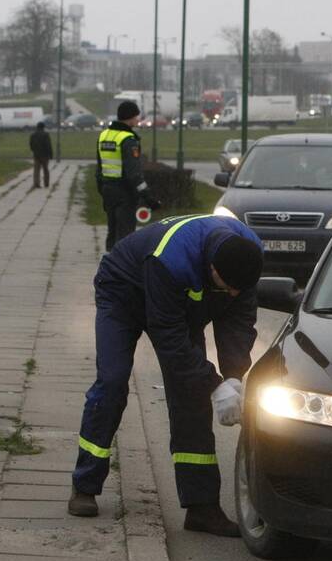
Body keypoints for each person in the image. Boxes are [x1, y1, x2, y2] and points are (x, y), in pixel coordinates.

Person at [68, 214, 264, 537]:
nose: (230, 294)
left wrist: (234, 378)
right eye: (225, 287)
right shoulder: (171, 259)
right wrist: (215, 386)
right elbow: (169, 340)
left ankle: (202, 508)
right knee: (113, 382)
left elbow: (238, 324)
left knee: (192, 399)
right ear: (212, 267)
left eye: (235, 290)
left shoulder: (246, 259)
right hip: (124, 293)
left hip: (180, 306)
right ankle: (85, 484)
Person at [97, 101, 159, 251]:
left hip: (108, 190)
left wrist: (102, 189)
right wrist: (148, 197)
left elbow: (99, 168)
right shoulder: (128, 140)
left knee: (112, 231)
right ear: (130, 117)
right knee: (125, 235)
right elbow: (134, 174)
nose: (138, 120)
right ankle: (121, 267)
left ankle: (109, 263)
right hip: (124, 192)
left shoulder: (104, 135)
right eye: (136, 116)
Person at [29, 121, 52, 189]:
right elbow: (48, 145)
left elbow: (31, 144)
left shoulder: (33, 135)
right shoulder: (46, 134)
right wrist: (50, 154)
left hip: (36, 155)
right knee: (46, 169)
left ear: (37, 127)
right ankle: (46, 183)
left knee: (36, 170)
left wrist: (33, 150)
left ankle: (36, 183)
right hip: (45, 155)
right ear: (43, 127)